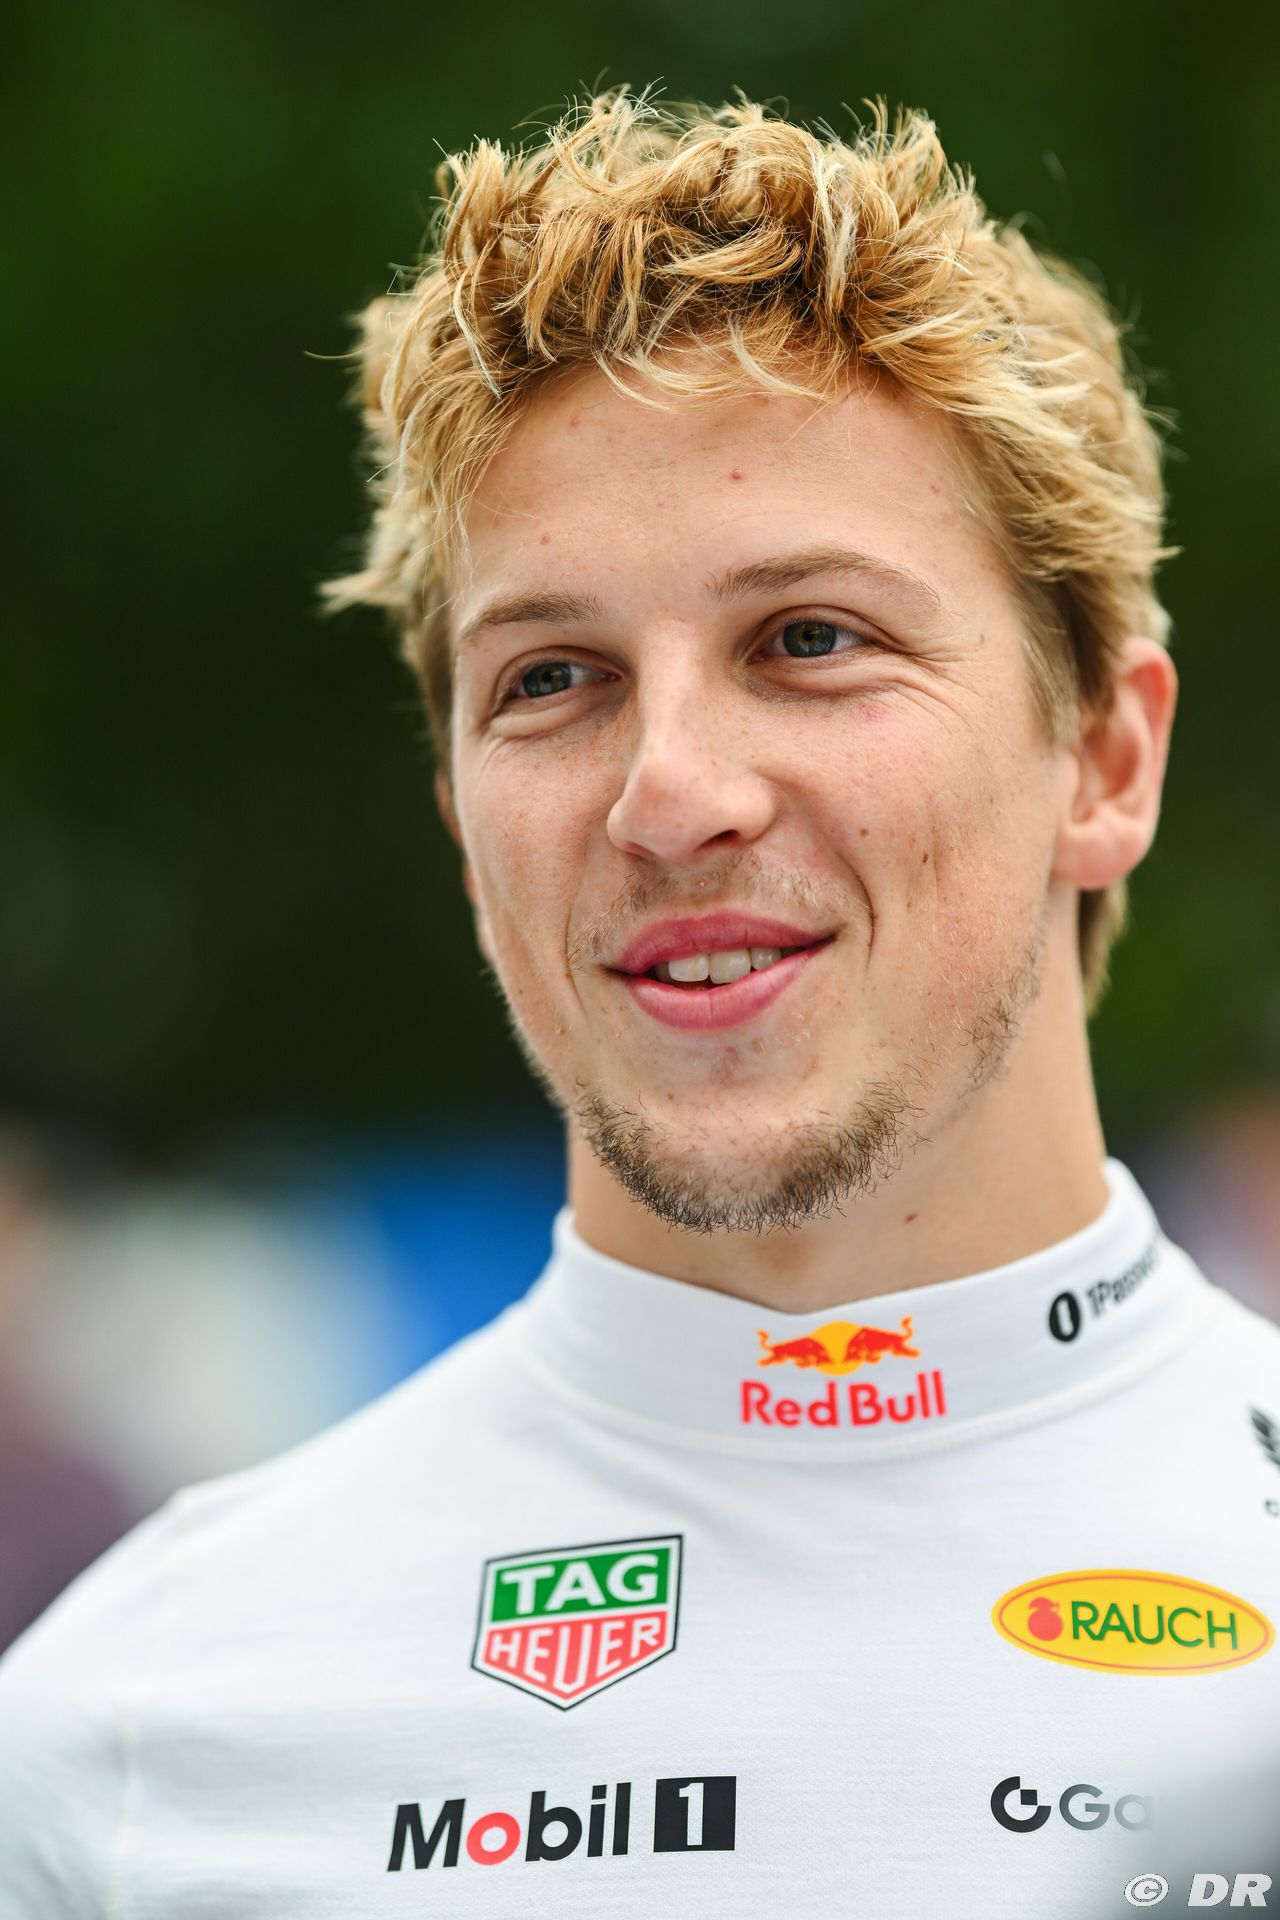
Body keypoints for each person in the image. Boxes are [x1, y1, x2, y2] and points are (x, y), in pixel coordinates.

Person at [1, 87, 1278, 1918]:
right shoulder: (124, 1741)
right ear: (463, 824)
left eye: (811, 639)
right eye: (553, 678)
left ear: (1105, 759)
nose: (669, 792)